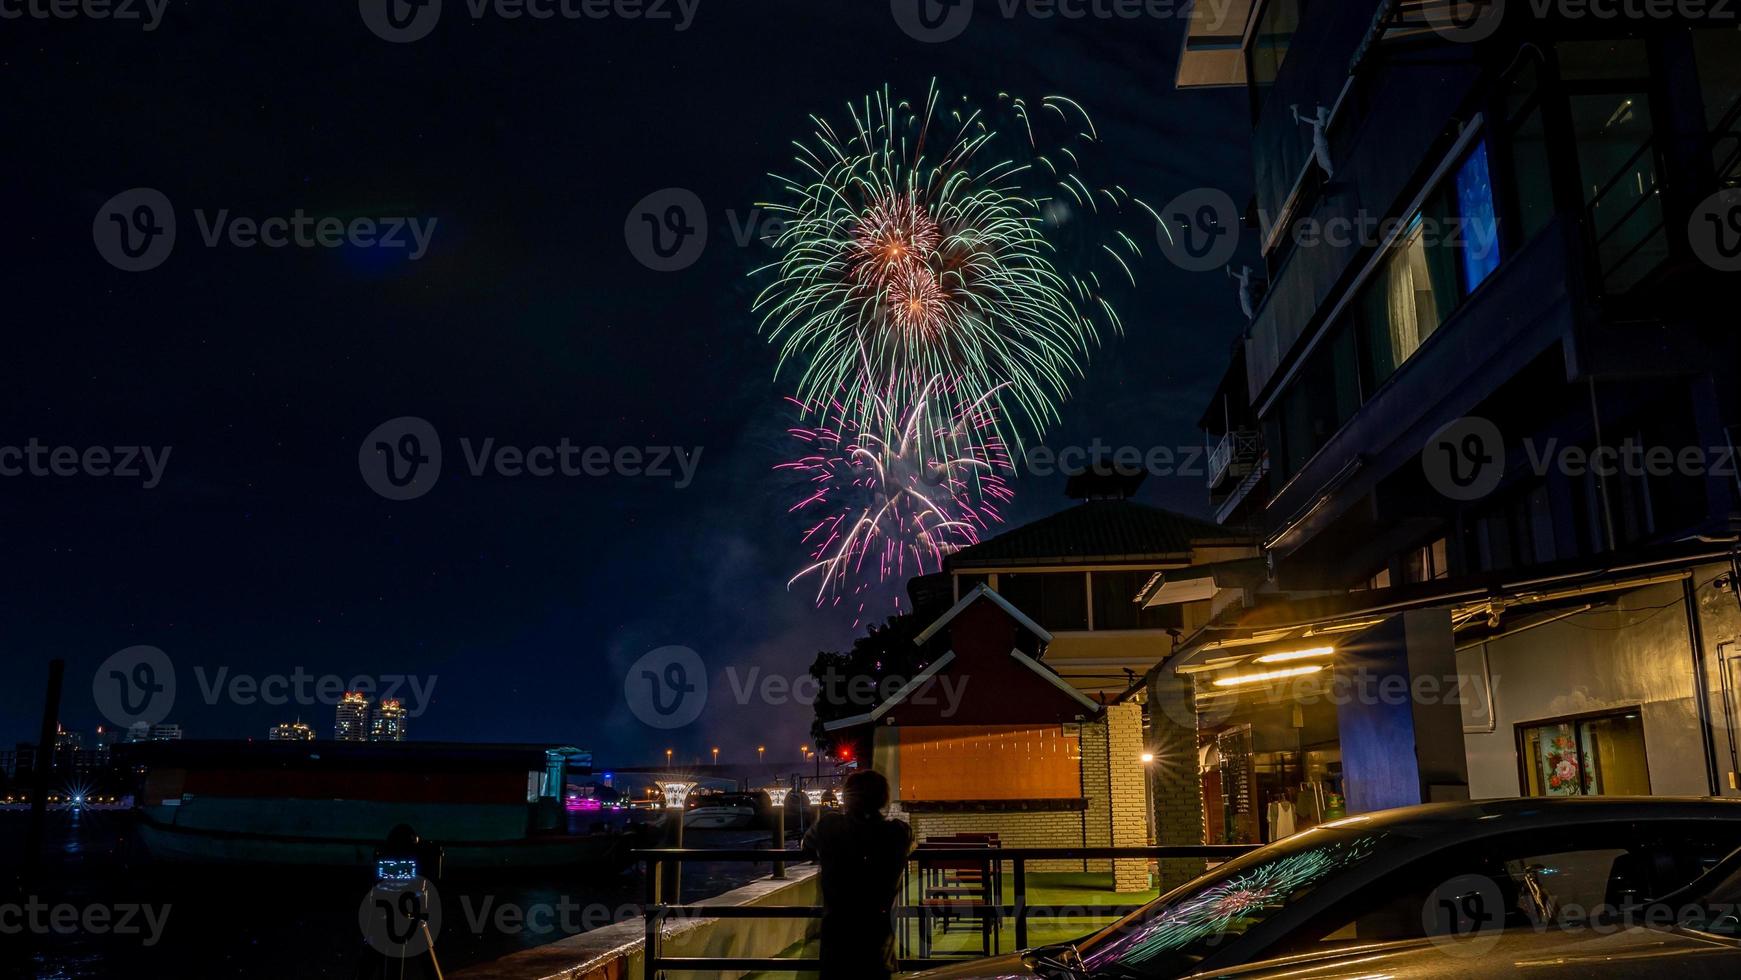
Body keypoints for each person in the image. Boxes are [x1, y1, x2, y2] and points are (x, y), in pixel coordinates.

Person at [802, 769, 915, 979]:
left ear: (848, 798)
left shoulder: (829, 826)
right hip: (877, 938)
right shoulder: (897, 832)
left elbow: (807, 845)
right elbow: (909, 839)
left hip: (838, 937)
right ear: (883, 798)